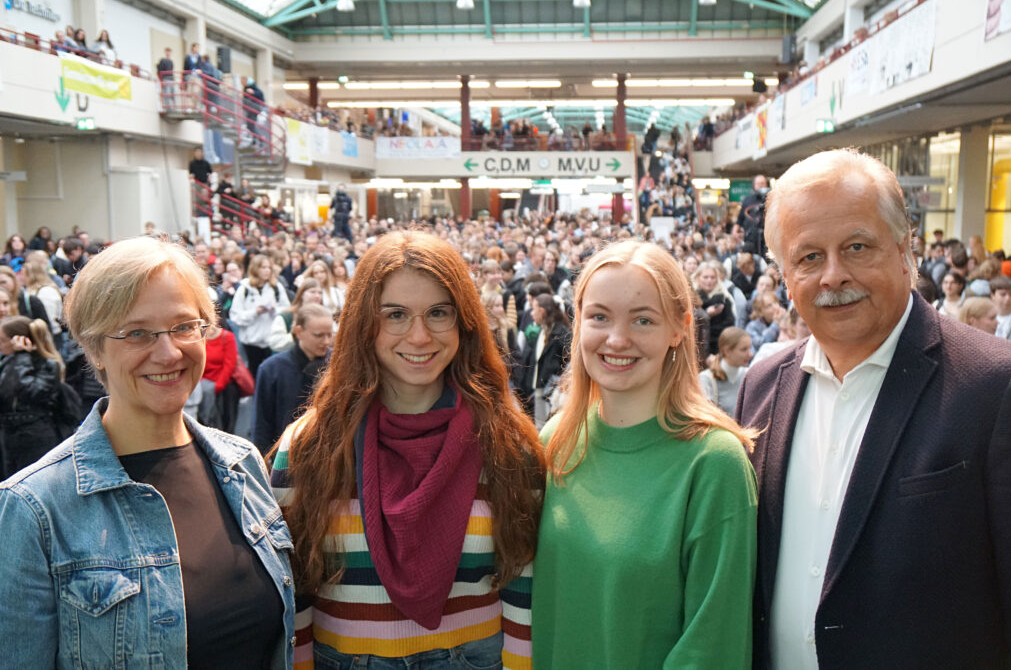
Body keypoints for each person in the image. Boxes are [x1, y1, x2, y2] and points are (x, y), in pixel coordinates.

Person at [735, 148, 1011, 669]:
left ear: (903, 248)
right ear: (783, 274)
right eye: (808, 257)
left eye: (856, 247)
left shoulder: (999, 385)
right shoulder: (761, 386)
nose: (833, 275)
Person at [0, 237, 296, 668]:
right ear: (95, 348)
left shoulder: (242, 462)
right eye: (137, 333)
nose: (168, 352)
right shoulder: (34, 509)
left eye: (183, 326)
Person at [269, 230, 543, 670]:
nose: (419, 336)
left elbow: (521, 586)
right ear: (363, 324)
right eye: (395, 314)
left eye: (438, 313)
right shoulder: (309, 446)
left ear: (464, 322)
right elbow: (294, 592)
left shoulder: (507, 444)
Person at [533, 240, 757, 669]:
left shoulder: (714, 463)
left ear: (679, 329)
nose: (618, 339)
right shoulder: (558, 439)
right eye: (599, 316)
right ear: (578, 322)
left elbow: (713, 647)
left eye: (643, 320)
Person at [252, 304, 332, 454]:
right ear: (299, 332)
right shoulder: (271, 368)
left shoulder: (337, 364)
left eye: (329, 335)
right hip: (284, 456)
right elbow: (262, 423)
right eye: (319, 335)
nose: (327, 341)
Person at [0, 317, 64, 478]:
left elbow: (33, 393)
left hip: (35, 434)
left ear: (19, 340)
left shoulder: (47, 364)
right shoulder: (7, 362)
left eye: (2, 340)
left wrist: (22, 356)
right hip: (9, 435)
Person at [229, 254, 290, 375]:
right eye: (263, 267)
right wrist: (255, 312)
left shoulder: (276, 287)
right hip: (251, 342)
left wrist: (274, 310)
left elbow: (287, 310)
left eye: (269, 267)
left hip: (271, 342)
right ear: (255, 269)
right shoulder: (244, 289)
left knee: (272, 374)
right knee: (253, 374)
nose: (267, 270)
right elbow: (235, 316)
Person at [519, 292, 571, 427]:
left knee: (548, 425)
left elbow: (568, 363)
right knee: (540, 425)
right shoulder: (543, 331)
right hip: (540, 389)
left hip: (552, 391)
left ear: (542, 311)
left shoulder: (561, 334)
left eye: (534, 309)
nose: (531, 313)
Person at [699, 326, 753, 418]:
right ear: (726, 351)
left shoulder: (750, 375)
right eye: (744, 349)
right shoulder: (706, 379)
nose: (750, 354)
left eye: (749, 348)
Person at [268, 278, 323, 353]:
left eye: (320, 293)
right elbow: (274, 343)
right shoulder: (287, 316)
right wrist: (296, 336)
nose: (317, 296)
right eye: (312, 292)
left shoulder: (324, 316)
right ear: (302, 294)